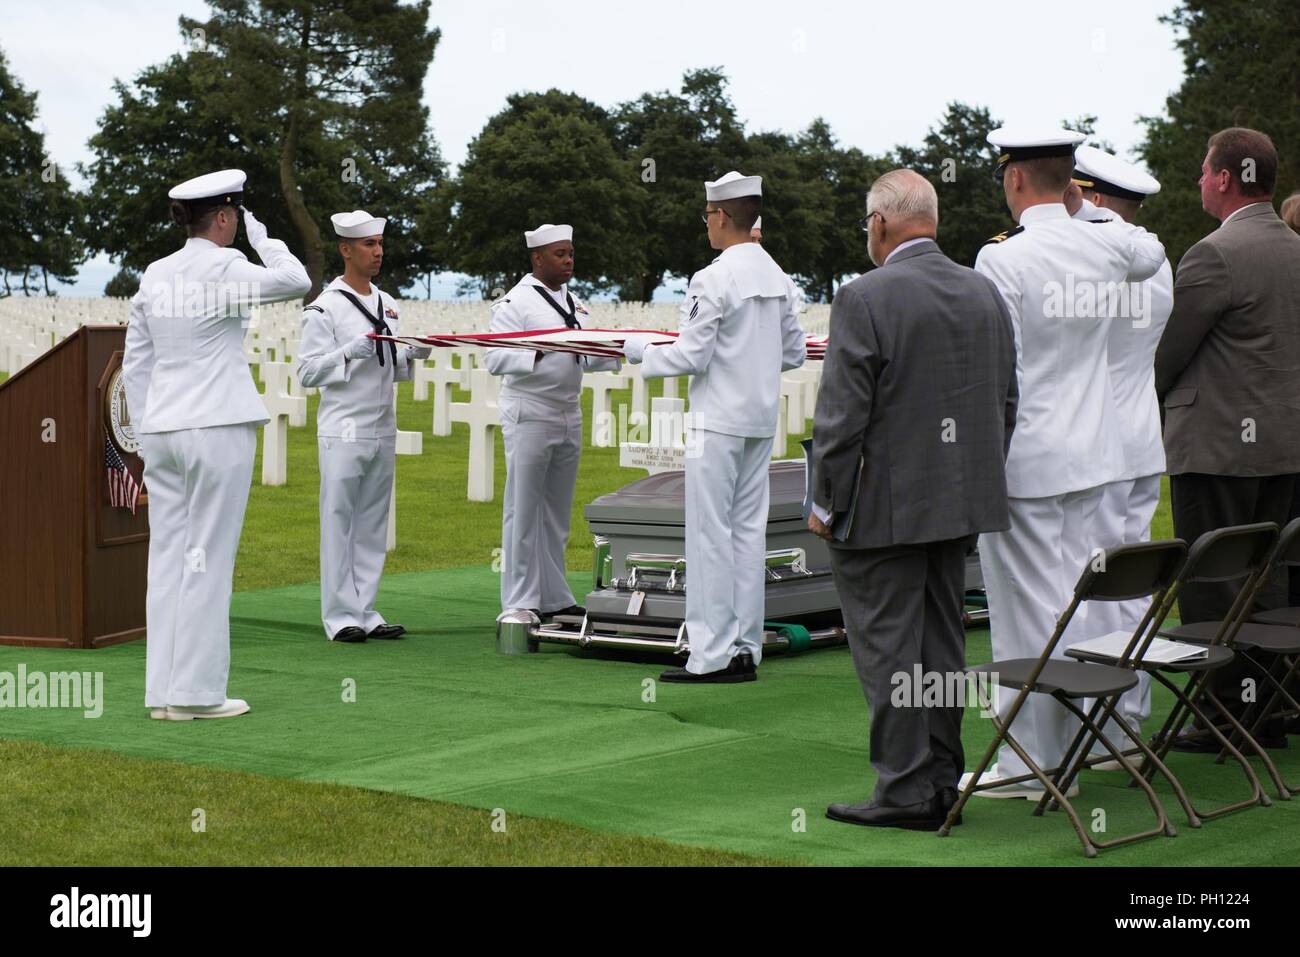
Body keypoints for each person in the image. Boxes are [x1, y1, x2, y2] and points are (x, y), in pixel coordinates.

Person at [809, 170, 1018, 830]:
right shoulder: (983, 291)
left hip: (881, 511)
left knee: (889, 650)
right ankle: (941, 778)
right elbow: (1004, 404)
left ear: (879, 224)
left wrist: (826, 502)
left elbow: (842, 419)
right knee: (941, 644)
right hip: (956, 504)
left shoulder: (864, 298)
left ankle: (904, 789)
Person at [963, 129, 1165, 796]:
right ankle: (1095, 737)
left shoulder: (1004, 260)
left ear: (1015, 179)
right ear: (1071, 180)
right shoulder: (1107, 244)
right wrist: (1089, 212)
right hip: (1098, 454)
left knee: (1028, 614)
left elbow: (1001, 367)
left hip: (1031, 458)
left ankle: (1033, 764)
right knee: (1084, 605)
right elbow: (1151, 248)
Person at [123, 168, 310, 720]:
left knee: (169, 560)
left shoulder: (156, 273)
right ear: (226, 217)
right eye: (238, 216)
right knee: (208, 557)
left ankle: (163, 693)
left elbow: (138, 360)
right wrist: (264, 239)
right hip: (216, 425)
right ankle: (198, 695)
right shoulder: (229, 264)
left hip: (162, 430)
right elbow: (296, 279)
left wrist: (144, 428)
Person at [624, 171, 807, 683]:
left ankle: (709, 654)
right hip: (759, 421)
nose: (706, 224)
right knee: (748, 534)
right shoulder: (778, 275)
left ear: (722, 215)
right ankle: (746, 647)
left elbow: (691, 353)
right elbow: (792, 352)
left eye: (707, 215)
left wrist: (641, 351)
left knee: (708, 536)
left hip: (718, 422)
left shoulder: (713, 276)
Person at [1153, 128, 1300, 748]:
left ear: (1223, 178)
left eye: (1202, 170)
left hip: (1218, 449)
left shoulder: (1213, 254)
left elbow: (1168, 354)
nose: (1197, 181)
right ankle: (1264, 709)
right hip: (1285, 445)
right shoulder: (1294, 247)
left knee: (1215, 587)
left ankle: (1223, 718)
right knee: (1271, 582)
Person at [1067, 145, 1172, 763]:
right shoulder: (1153, 259)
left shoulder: (1098, 257)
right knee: (1132, 582)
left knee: (1097, 584)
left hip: (1099, 442)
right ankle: (1127, 716)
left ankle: (1105, 726)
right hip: (1140, 436)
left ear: (1096, 198)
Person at [297, 210, 431, 643]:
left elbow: (387, 364)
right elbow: (308, 373)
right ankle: (339, 615)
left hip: (382, 425)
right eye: (369, 245)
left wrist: (411, 354)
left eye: (379, 244)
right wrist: (347, 353)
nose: (378, 252)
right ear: (345, 250)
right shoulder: (325, 308)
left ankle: (366, 608)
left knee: (373, 521)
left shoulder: (388, 303)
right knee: (339, 520)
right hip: (343, 428)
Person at [485, 225, 620, 619]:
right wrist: (539, 351)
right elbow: (494, 359)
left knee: (556, 513)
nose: (568, 261)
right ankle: (520, 601)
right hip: (531, 410)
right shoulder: (516, 303)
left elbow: (582, 353)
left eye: (571, 253)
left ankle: (554, 596)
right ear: (537, 258)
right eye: (559, 254)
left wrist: (617, 349)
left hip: (567, 410)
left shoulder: (572, 301)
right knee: (523, 510)